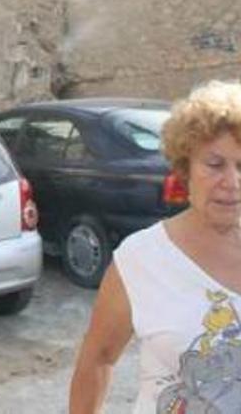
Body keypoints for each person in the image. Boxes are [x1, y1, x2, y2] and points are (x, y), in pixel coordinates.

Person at [69, 81, 241, 413]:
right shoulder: (142, 259)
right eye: (215, 165)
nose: (232, 183)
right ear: (184, 170)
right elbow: (98, 359)